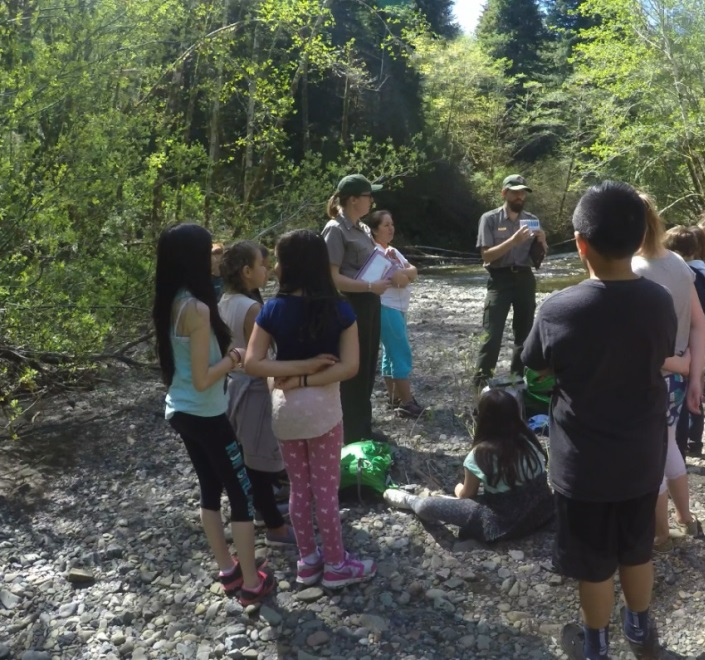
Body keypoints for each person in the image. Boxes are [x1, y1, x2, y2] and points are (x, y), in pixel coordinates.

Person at [521, 181, 677, 660]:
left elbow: (536, 365)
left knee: (593, 566)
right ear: (637, 240)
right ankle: (639, 628)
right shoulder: (659, 301)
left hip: (583, 464)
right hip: (642, 455)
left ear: (581, 244)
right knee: (637, 550)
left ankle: (595, 645)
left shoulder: (560, 308)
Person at [244, 229, 377, 590]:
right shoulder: (340, 309)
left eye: (277, 260)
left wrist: (294, 374)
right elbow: (349, 368)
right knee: (325, 491)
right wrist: (310, 371)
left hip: (285, 411)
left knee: (299, 490)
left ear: (289, 266)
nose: (273, 268)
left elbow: (253, 364)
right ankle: (336, 564)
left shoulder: (271, 309)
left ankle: (307, 562)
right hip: (323, 413)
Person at [151, 223, 276, 606]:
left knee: (210, 487)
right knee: (240, 494)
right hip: (205, 412)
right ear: (192, 257)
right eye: (209, 252)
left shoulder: (172, 299)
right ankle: (252, 583)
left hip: (181, 409)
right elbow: (206, 378)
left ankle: (228, 568)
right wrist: (234, 358)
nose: (216, 259)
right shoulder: (197, 308)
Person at [633, 195, 705, 552]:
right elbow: (698, 322)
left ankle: (659, 533)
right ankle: (685, 516)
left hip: (651, 376)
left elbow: (637, 345)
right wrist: (693, 375)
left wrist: (676, 365)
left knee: (651, 454)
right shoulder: (677, 260)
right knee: (669, 445)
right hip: (677, 376)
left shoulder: (631, 268)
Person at [384, 390, 553, 542]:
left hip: (502, 522)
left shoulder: (480, 454)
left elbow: (467, 495)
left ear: (483, 418)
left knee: (426, 506)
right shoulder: (529, 441)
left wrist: (457, 487)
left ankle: (408, 499)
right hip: (541, 512)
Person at [217, 241, 297, 548]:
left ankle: (262, 508)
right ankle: (273, 526)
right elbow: (261, 357)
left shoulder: (225, 300)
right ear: (247, 271)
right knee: (259, 460)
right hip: (254, 391)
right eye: (262, 265)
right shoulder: (251, 309)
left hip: (233, 386)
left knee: (247, 452)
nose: (268, 269)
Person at [322, 174, 390, 443]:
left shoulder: (361, 228)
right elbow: (332, 278)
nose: (372, 200)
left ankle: (363, 426)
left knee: (368, 365)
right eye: (368, 196)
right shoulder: (334, 230)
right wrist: (370, 288)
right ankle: (350, 433)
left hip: (369, 303)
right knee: (353, 370)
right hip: (350, 306)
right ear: (353, 200)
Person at [473, 174, 548, 388]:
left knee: (525, 336)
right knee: (491, 335)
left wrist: (543, 241)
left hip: (525, 278)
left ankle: (519, 384)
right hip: (499, 280)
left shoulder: (532, 219)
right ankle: (481, 388)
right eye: (515, 192)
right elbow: (486, 256)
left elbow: (539, 256)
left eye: (523, 192)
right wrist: (512, 241)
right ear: (504, 193)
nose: (520, 196)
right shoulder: (489, 219)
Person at [360, 209, 424, 418]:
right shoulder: (375, 252)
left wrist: (405, 272)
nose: (391, 228)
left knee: (389, 353)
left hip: (398, 306)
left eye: (392, 224)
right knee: (400, 351)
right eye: (386, 225)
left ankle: (394, 398)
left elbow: (414, 271)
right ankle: (407, 402)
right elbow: (402, 279)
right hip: (386, 306)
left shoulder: (393, 251)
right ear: (375, 230)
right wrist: (405, 273)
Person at [668, 226, 705, 458]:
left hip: (685, 341)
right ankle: (694, 442)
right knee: (695, 392)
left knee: (687, 396)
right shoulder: (704, 272)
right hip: (700, 337)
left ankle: (685, 444)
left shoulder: (684, 276)